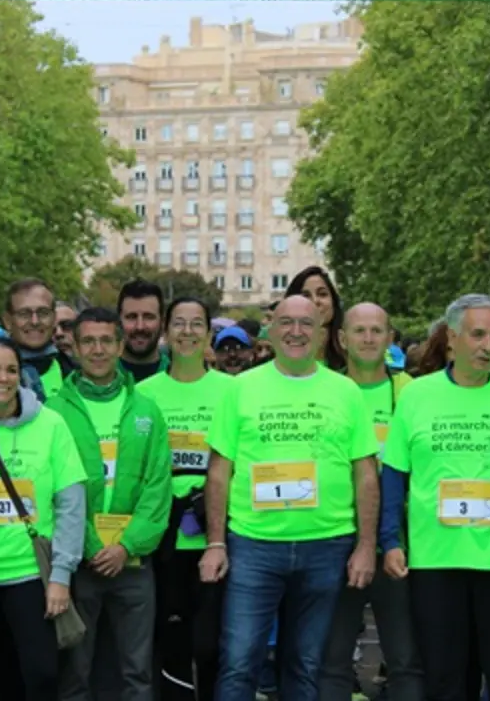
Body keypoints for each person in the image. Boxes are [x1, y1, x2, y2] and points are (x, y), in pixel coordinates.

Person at [200, 295, 379, 701]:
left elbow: (365, 473)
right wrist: (215, 543)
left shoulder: (346, 391)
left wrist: (366, 546)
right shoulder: (240, 389)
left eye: (306, 323)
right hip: (254, 545)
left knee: (305, 666)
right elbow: (219, 471)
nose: (296, 331)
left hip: (328, 545)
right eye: (286, 323)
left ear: (321, 333)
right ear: (271, 331)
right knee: (239, 661)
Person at [382, 294, 490, 701]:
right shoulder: (416, 395)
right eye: (477, 335)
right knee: (445, 679)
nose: (487, 346)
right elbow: (395, 472)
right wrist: (391, 540)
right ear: (452, 338)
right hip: (435, 558)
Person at [0, 338, 87, 700]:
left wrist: (60, 577)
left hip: (32, 577)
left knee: (41, 677)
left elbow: (71, 503)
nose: (2, 378)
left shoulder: (51, 424)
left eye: (11, 370)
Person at [49, 307, 172, 701]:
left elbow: (158, 486)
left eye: (106, 341)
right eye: (89, 341)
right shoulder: (54, 412)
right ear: (75, 346)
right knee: (75, 671)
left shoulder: (147, 410)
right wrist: (89, 546)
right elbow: (51, 489)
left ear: (120, 346)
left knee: (137, 671)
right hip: (79, 562)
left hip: (133, 561)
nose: (98, 350)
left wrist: (126, 545)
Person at [137, 298, 237, 700]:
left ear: (209, 334)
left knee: (211, 643)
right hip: (163, 537)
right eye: (179, 323)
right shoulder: (144, 393)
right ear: (165, 331)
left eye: (197, 324)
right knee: (169, 639)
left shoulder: (233, 391)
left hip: (217, 535)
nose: (188, 332)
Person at [321, 302, 422, 701]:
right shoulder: (325, 390)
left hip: (397, 539)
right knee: (332, 658)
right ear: (342, 339)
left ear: (390, 339)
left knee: (405, 658)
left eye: (376, 331)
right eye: (358, 331)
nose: (367, 339)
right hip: (336, 536)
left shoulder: (410, 391)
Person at [3, 278, 77, 398]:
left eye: (43, 312)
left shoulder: (79, 375)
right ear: (8, 321)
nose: (35, 321)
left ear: (53, 318)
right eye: (24, 313)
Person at [286, 265, 346, 370]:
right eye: (306, 296)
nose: (315, 301)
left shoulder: (354, 357)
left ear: (333, 302)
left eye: (322, 294)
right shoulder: (280, 364)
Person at [118, 278, 170, 382]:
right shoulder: (100, 379)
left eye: (148, 317)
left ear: (162, 323)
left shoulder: (178, 378)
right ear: (118, 321)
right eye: (131, 317)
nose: (140, 327)